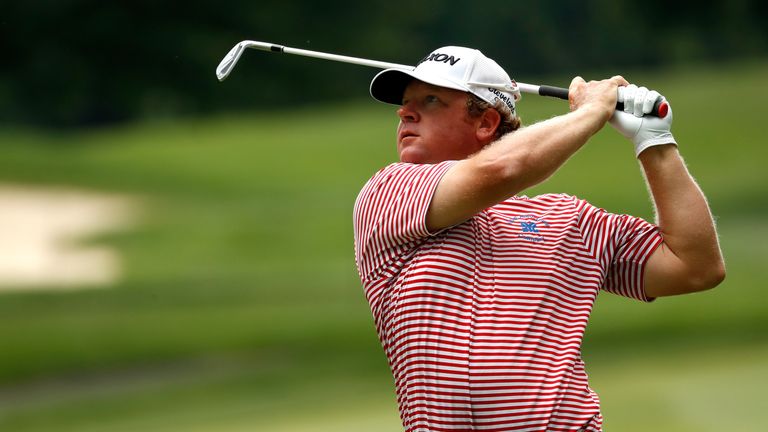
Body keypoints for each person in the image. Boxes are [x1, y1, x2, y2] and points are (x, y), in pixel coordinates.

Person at [352, 46, 725, 432]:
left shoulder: (567, 219)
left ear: (486, 122)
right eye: (405, 102)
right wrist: (592, 112)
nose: (404, 112)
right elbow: (501, 169)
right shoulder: (390, 192)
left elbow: (695, 266)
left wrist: (655, 141)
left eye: (431, 100)